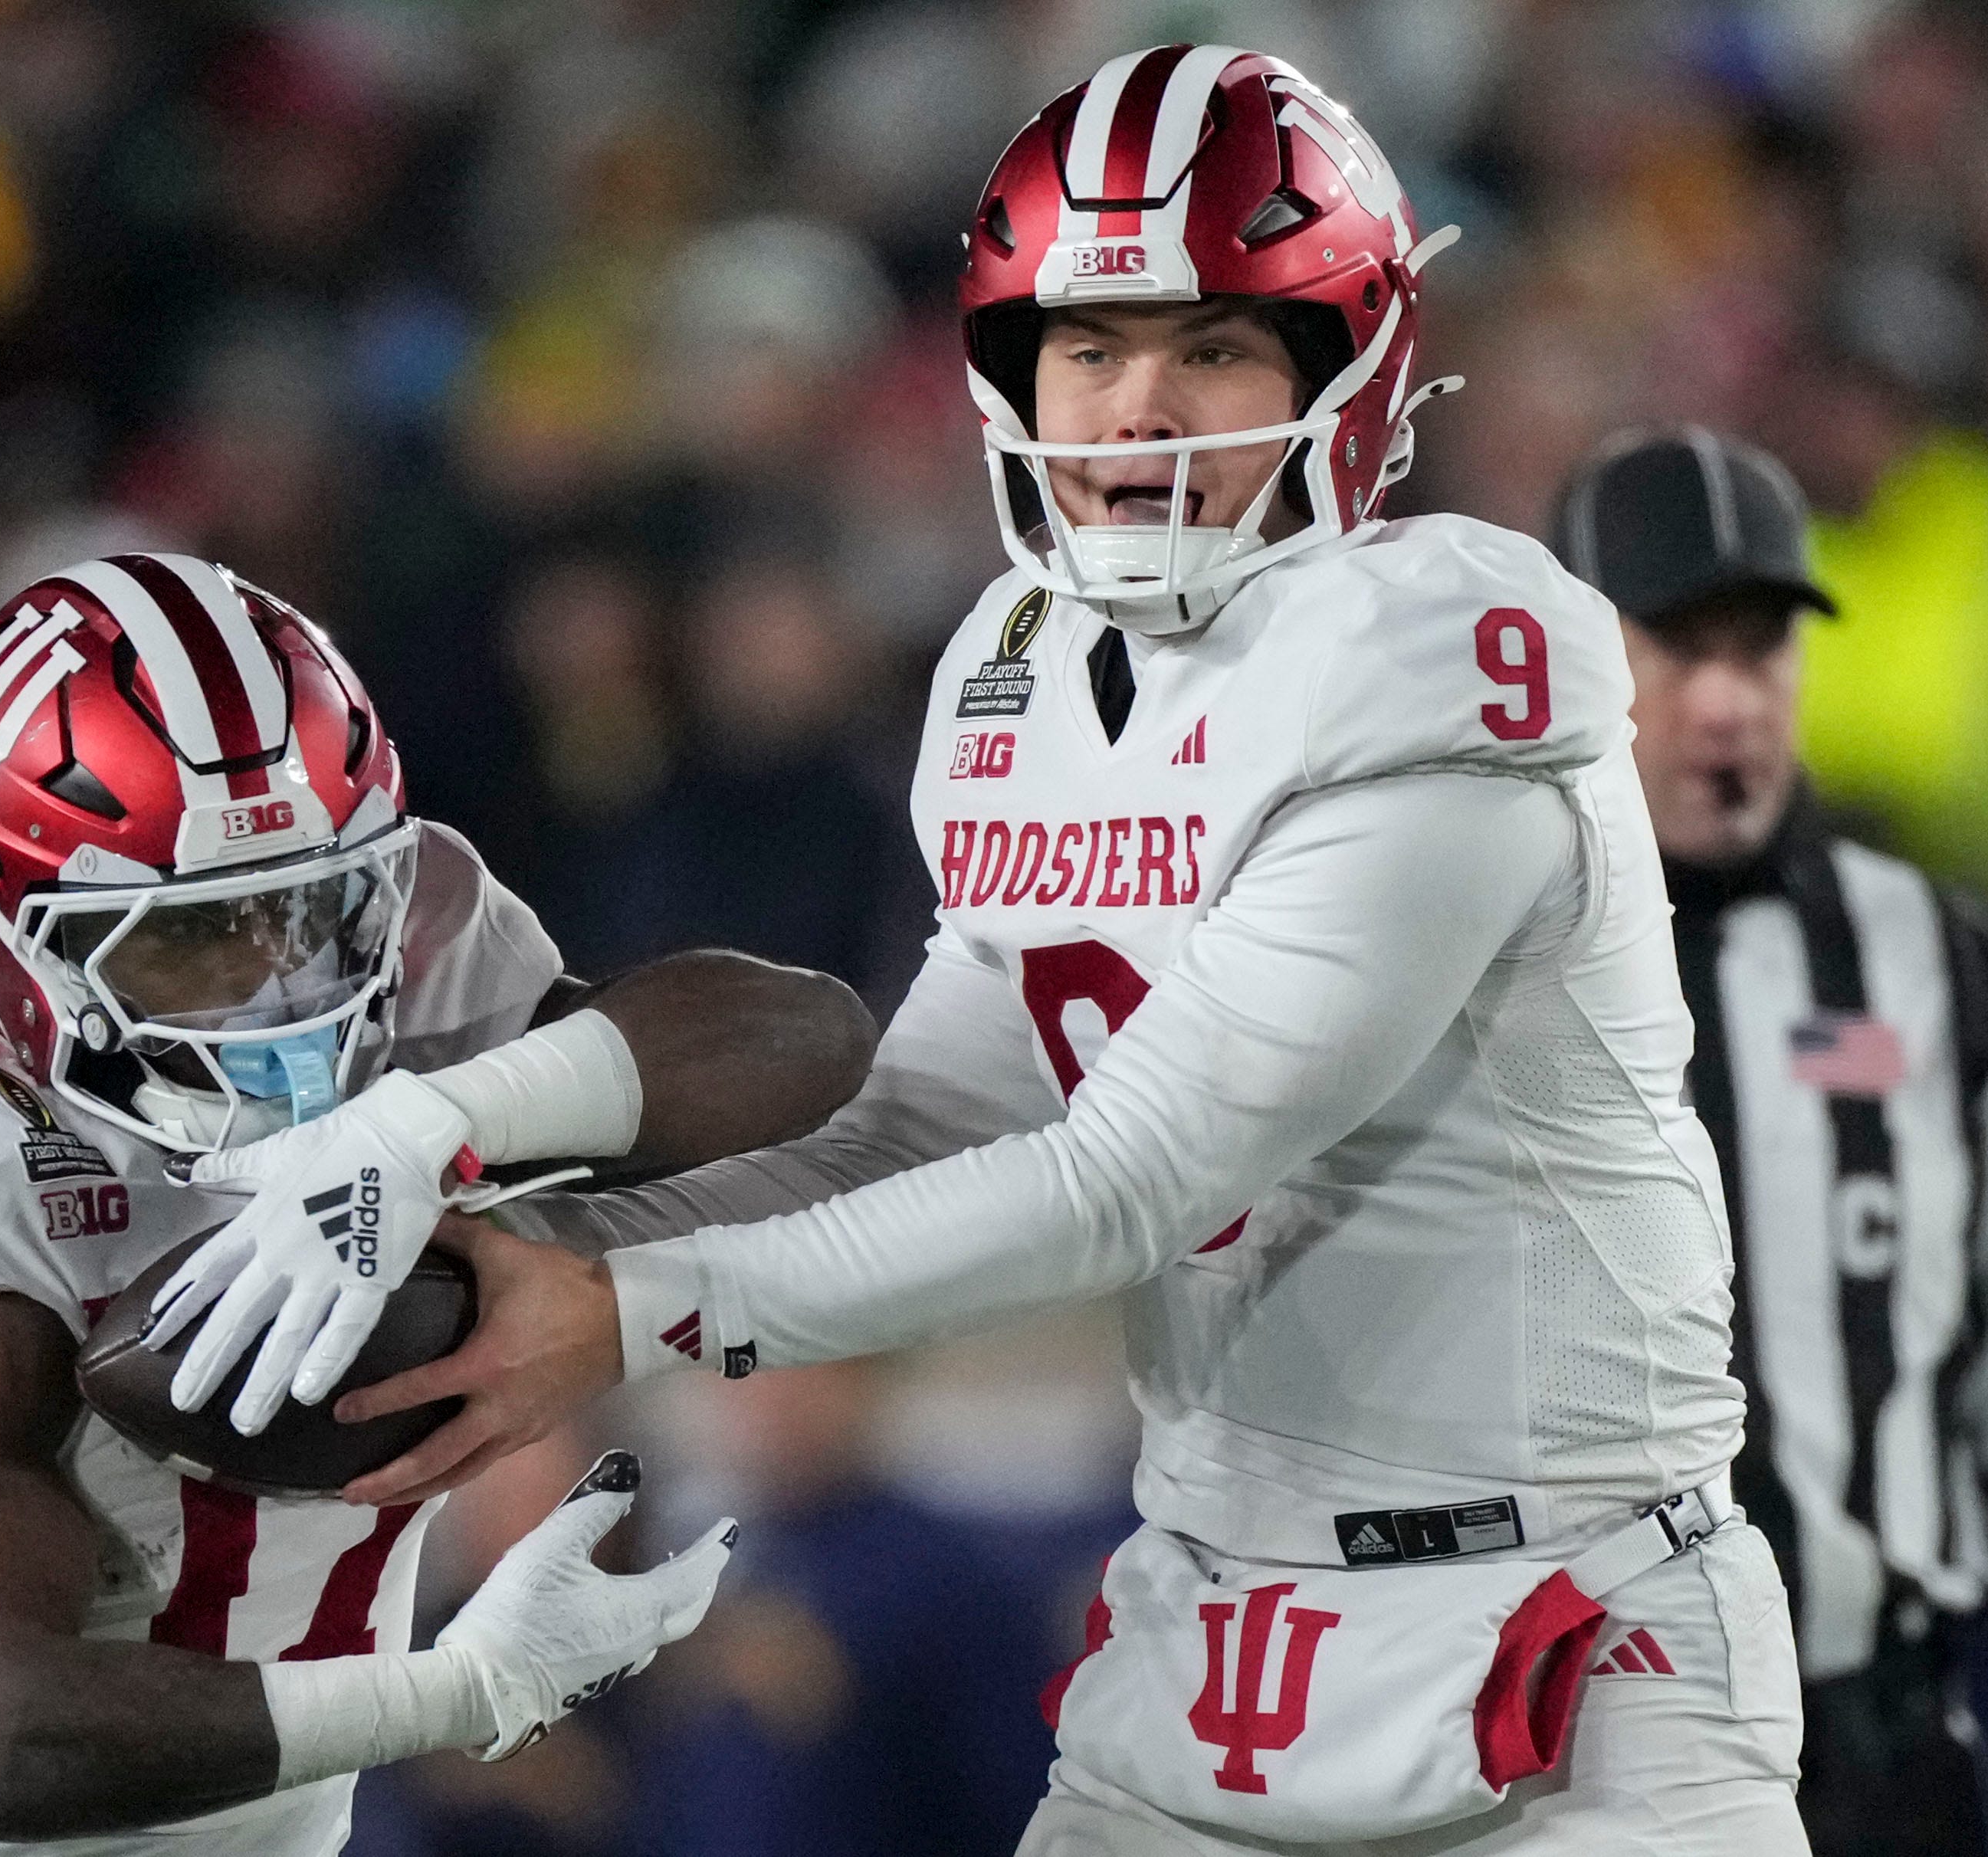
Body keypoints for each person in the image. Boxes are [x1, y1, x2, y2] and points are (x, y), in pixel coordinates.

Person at [172, 46, 1814, 1853]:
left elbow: (1130, 1173)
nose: (1131, 409)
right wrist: (523, 1251)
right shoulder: (1019, 668)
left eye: (1209, 346)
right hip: (1211, 1624)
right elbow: (922, 1110)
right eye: (1085, 347)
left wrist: (628, 1313)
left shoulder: (1450, 648)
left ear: (1343, 371)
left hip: (1559, 1640)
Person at [0, 551, 881, 1854]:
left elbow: (804, 1037)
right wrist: (460, 1691)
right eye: (192, 936)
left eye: (308, 909)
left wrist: (447, 1118)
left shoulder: (414, 977)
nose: (276, 983)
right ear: (15, 927)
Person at [1552, 428, 1988, 1856]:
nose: (1730, 702)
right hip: (1575, 1749)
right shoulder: (1477, 952)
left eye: (1763, 648)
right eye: (1680, 648)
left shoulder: (1926, 954)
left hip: (1880, 1733)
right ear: (1567, 656)